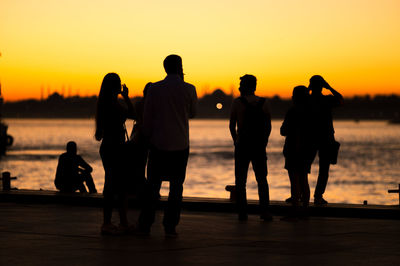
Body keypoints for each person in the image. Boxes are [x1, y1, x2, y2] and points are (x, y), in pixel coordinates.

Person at [138, 55, 197, 237]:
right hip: (180, 144)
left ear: (164, 68)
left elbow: (147, 118)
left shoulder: (155, 89)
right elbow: (192, 114)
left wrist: (146, 140)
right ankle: (170, 226)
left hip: (158, 144)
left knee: (152, 187)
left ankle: (146, 224)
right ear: (180, 67)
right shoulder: (189, 89)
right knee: (176, 188)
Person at [95, 73, 135, 235]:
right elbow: (133, 115)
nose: (120, 85)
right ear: (113, 86)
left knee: (112, 185)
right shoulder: (113, 105)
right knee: (118, 187)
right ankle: (117, 223)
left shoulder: (103, 103)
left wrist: (124, 98)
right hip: (115, 147)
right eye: (118, 83)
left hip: (109, 147)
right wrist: (126, 97)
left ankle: (111, 222)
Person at [229, 74, 272, 221]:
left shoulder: (237, 102)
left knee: (241, 181)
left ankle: (243, 213)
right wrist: (264, 141)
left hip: (242, 146)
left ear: (246, 86)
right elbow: (268, 126)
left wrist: (236, 140)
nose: (239, 87)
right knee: (262, 179)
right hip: (259, 146)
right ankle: (264, 212)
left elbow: (231, 125)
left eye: (241, 85)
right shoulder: (264, 102)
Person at [308, 75, 344, 205]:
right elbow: (340, 100)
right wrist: (329, 87)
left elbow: (298, 103)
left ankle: (301, 193)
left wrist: (308, 89)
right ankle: (317, 196)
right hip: (325, 137)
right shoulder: (326, 100)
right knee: (323, 169)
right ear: (322, 86)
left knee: (304, 167)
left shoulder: (307, 99)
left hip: (312, 137)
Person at [280, 86, 312, 212]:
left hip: (293, 149)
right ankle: (305, 208)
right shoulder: (311, 112)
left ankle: (295, 211)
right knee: (304, 179)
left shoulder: (292, 111)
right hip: (307, 150)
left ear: (295, 97)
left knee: (294, 180)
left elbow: (284, 131)